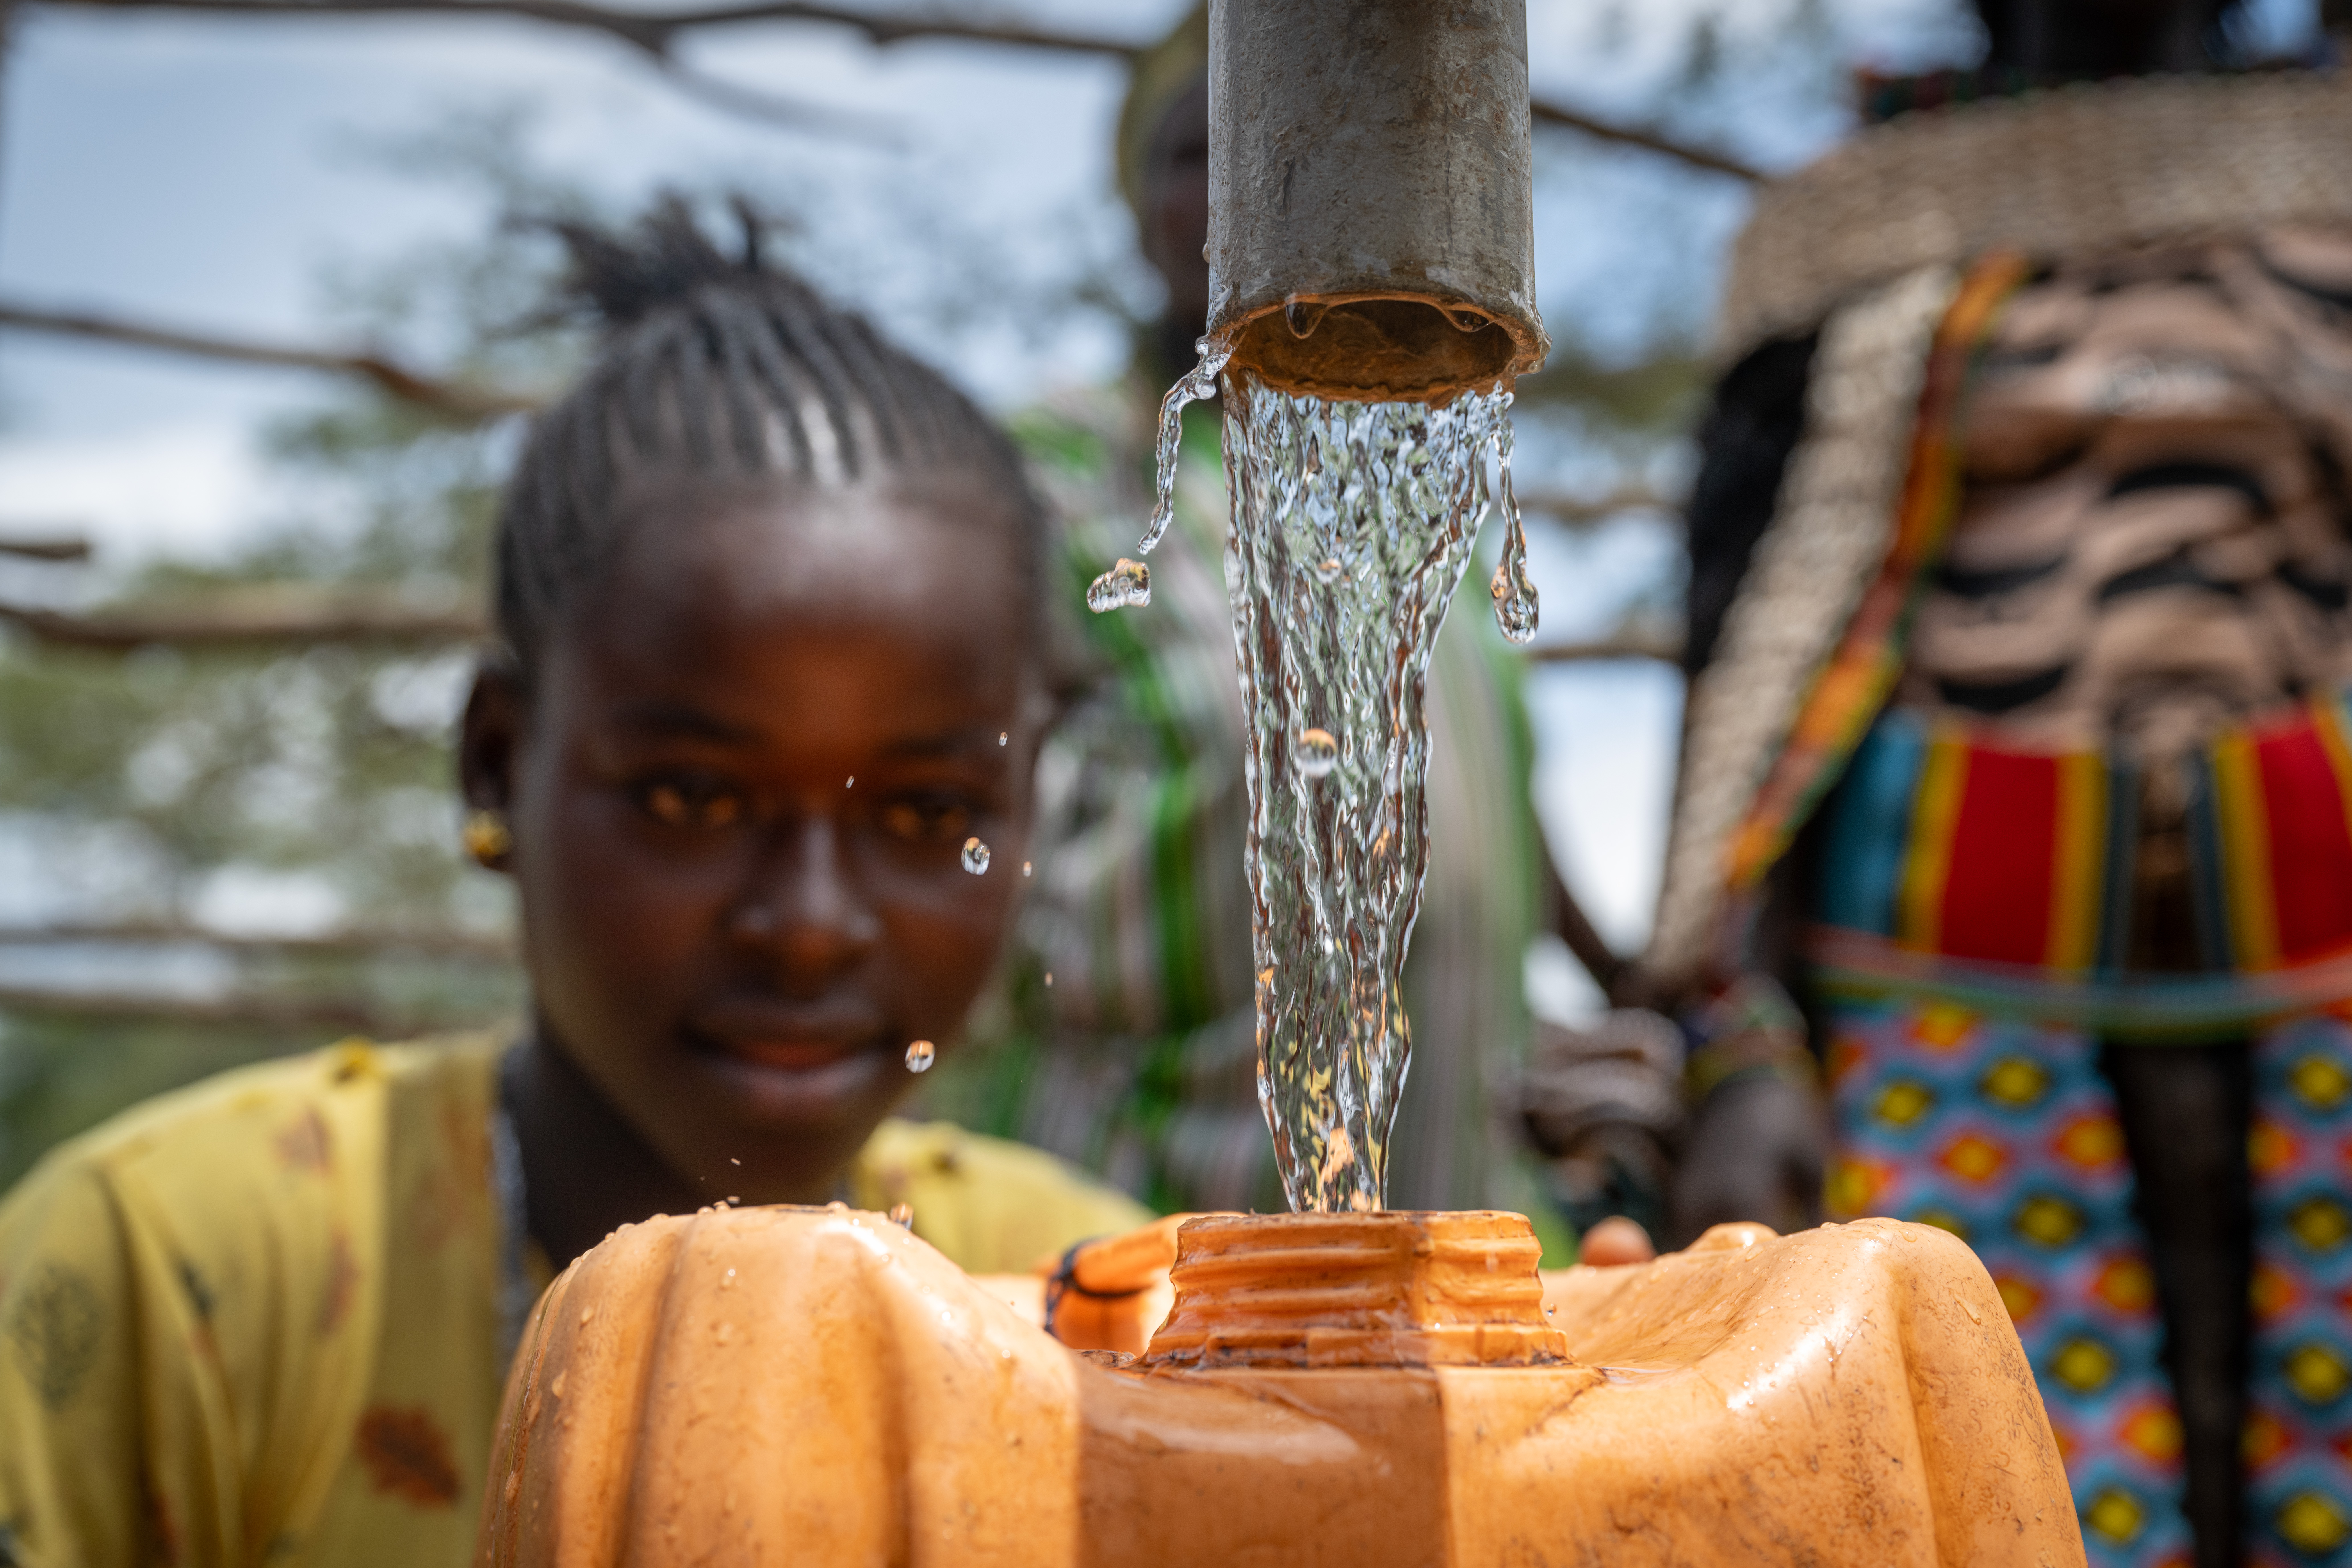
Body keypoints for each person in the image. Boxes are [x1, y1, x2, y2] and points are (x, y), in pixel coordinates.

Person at [0, 201, 1148, 1567]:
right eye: (692, 796)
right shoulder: (178, 1279)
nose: (809, 925)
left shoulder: (1104, 1319)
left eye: (927, 810)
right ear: (496, 764)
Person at [1643, 8, 2352, 1563]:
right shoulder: (1862, 225)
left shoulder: (2329, 169)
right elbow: (1759, 632)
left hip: (2324, 955)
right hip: (1949, 956)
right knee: (1994, 1433)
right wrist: (1740, 1035)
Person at [979, 6, 1573, 1240]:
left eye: (1333, 131)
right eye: (1200, 153)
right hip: (1134, 1233)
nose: (1273, 177)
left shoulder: (1414, 467)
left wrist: (1662, 999)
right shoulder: (1058, 471)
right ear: (1143, 208)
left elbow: (1472, 791)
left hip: (1456, 1213)